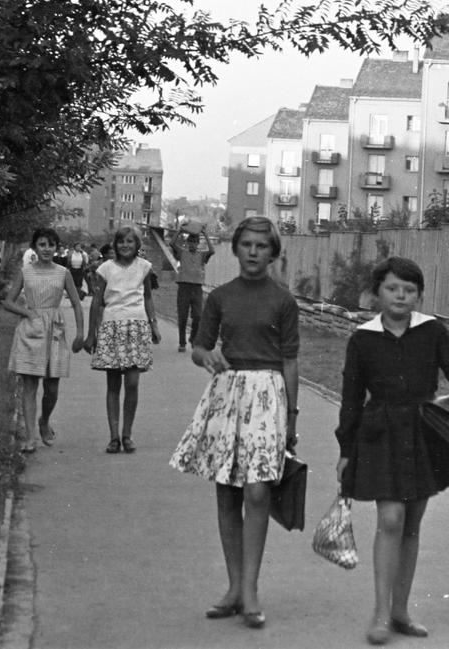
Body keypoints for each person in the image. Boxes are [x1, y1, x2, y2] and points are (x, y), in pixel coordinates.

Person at [336, 256, 449, 645]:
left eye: (409, 290)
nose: (401, 296)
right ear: (378, 292)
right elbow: (350, 398)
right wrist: (346, 448)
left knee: (411, 523)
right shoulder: (362, 338)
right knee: (390, 519)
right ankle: (380, 613)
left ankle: (400, 612)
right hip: (380, 433)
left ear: (419, 295)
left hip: (423, 432)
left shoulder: (432, 332)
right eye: (393, 288)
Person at [169, 216, 299, 631]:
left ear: (272, 251)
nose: (254, 252)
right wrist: (205, 356)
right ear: (236, 248)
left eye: (262, 246)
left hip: (267, 396)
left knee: (258, 492)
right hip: (227, 393)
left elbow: (291, 362)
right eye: (247, 244)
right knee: (227, 491)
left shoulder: (284, 301)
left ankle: (252, 589)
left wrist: (291, 417)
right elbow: (200, 346)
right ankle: (233, 589)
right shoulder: (220, 297)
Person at [5, 228, 86, 453]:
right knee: (30, 384)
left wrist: (81, 333)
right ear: (35, 247)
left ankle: (44, 420)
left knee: (52, 387)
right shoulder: (25, 271)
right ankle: (31, 438)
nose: (47, 249)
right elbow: (8, 301)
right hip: (31, 330)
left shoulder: (63, 273)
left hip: (55, 331)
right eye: (42, 245)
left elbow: (77, 303)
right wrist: (28, 313)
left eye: (51, 245)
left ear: (57, 248)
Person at [86, 225, 161, 454]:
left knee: (132, 383)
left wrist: (154, 324)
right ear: (115, 245)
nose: (125, 245)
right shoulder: (105, 269)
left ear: (137, 245)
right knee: (113, 385)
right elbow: (97, 301)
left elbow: (147, 298)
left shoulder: (144, 268)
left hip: (137, 327)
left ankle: (127, 434)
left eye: (130, 241)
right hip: (111, 326)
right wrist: (92, 333)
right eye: (121, 242)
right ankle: (114, 437)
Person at [168, 225, 215, 353]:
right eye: (191, 241)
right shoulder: (182, 253)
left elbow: (212, 250)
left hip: (197, 287)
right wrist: (180, 231)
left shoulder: (202, 255)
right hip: (184, 287)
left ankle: (193, 338)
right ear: (187, 242)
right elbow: (172, 243)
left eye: (195, 242)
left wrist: (204, 234)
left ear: (198, 244)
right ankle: (182, 343)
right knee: (182, 316)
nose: (193, 244)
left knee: (198, 316)